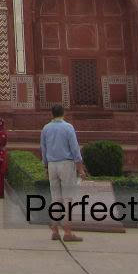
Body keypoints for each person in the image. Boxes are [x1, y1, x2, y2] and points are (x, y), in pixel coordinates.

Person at [40, 104, 85, 243]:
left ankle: (54, 230)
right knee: (68, 199)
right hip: (66, 164)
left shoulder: (46, 128)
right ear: (63, 113)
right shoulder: (68, 127)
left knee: (55, 199)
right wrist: (80, 167)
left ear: (51, 114)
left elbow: (43, 148)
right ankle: (68, 232)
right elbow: (74, 148)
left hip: (52, 164)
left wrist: (46, 167)